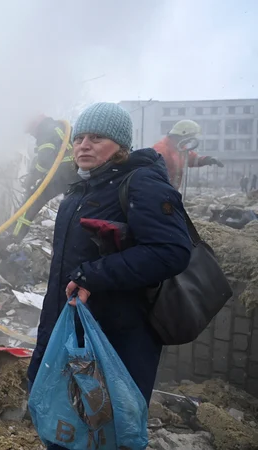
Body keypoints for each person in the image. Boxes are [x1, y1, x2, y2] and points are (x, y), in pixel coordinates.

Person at [27, 103, 192, 449]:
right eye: (79, 138)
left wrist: (92, 276)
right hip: (69, 329)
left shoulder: (141, 184)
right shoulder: (80, 189)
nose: (83, 145)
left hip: (116, 337)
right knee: (65, 427)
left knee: (107, 432)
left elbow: (171, 250)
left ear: (120, 146)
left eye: (97, 138)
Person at [12, 114, 79, 240]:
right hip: (74, 172)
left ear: (35, 125)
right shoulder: (58, 127)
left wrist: (31, 179)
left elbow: (44, 161)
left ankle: (14, 237)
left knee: (32, 201)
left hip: (63, 173)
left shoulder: (45, 130)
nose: (32, 135)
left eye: (31, 132)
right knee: (71, 207)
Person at [153, 119, 224, 190]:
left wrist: (207, 159)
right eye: (190, 136)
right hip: (159, 190)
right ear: (182, 134)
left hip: (170, 190)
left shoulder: (180, 148)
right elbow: (152, 171)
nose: (190, 140)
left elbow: (192, 159)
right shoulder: (161, 149)